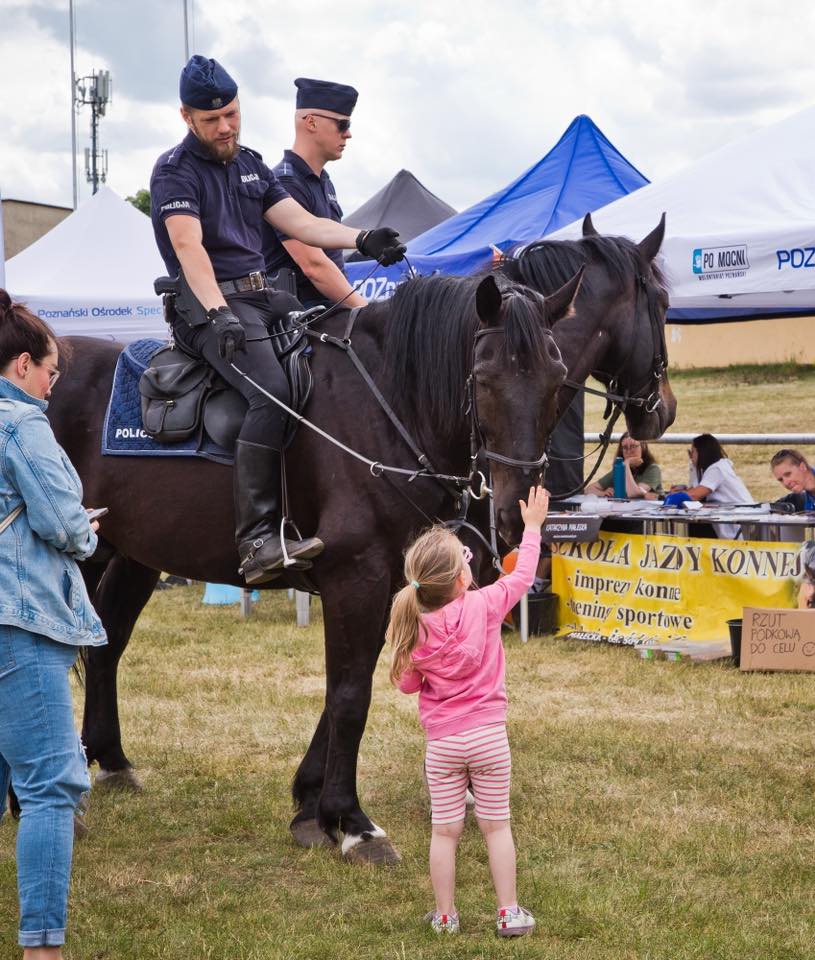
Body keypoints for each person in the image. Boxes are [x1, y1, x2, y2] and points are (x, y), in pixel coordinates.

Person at [149, 55, 405, 585]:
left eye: (232, 115)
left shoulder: (251, 165)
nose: (225, 127)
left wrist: (361, 239)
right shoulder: (175, 170)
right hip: (206, 307)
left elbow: (302, 223)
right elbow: (187, 246)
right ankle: (257, 540)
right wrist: (217, 313)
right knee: (272, 392)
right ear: (186, 117)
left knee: (335, 364)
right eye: (211, 119)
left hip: (264, 300)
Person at [387, 486, 549, 938]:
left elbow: (406, 685)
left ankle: (445, 916)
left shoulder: (414, 627)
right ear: (461, 580)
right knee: (497, 828)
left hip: (442, 745)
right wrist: (532, 528)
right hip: (489, 740)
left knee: (445, 832)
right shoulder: (485, 605)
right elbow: (522, 578)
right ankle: (509, 912)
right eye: (466, 559)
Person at [0, 290, 106, 958]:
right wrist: (86, 533)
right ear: (20, 367)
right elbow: (66, 523)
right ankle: (43, 947)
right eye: (48, 371)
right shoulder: (22, 424)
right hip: (21, 616)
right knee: (50, 786)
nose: (50, 384)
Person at [262, 77, 367, 309]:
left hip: (326, 312)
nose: (348, 134)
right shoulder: (285, 182)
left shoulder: (324, 182)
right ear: (311, 122)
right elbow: (314, 266)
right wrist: (367, 312)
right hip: (297, 320)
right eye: (342, 125)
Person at [670, 433, 753, 539]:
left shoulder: (717, 468)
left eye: (693, 451)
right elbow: (692, 490)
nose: (691, 456)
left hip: (739, 524)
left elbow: (695, 495)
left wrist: (676, 495)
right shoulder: (709, 469)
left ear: (702, 452)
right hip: (732, 520)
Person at [585, 434, 662, 499]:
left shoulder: (653, 469)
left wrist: (626, 463)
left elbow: (633, 494)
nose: (629, 451)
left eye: (633, 446)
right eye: (625, 448)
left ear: (643, 447)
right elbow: (589, 490)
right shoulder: (619, 469)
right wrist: (603, 493)